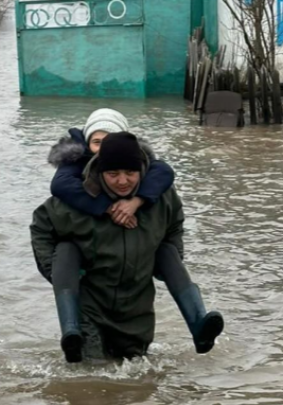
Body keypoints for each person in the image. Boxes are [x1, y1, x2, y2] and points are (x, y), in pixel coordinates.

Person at [46, 109, 223, 361]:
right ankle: (71, 331)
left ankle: (198, 324)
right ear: (87, 144)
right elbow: (45, 221)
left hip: (135, 300)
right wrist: (106, 208)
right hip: (91, 295)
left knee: (134, 373)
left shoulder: (153, 181)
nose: (122, 180)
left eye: (129, 172)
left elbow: (171, 205)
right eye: (97, 143)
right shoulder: (72, 174)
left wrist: (138, 202)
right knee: (65, 251)